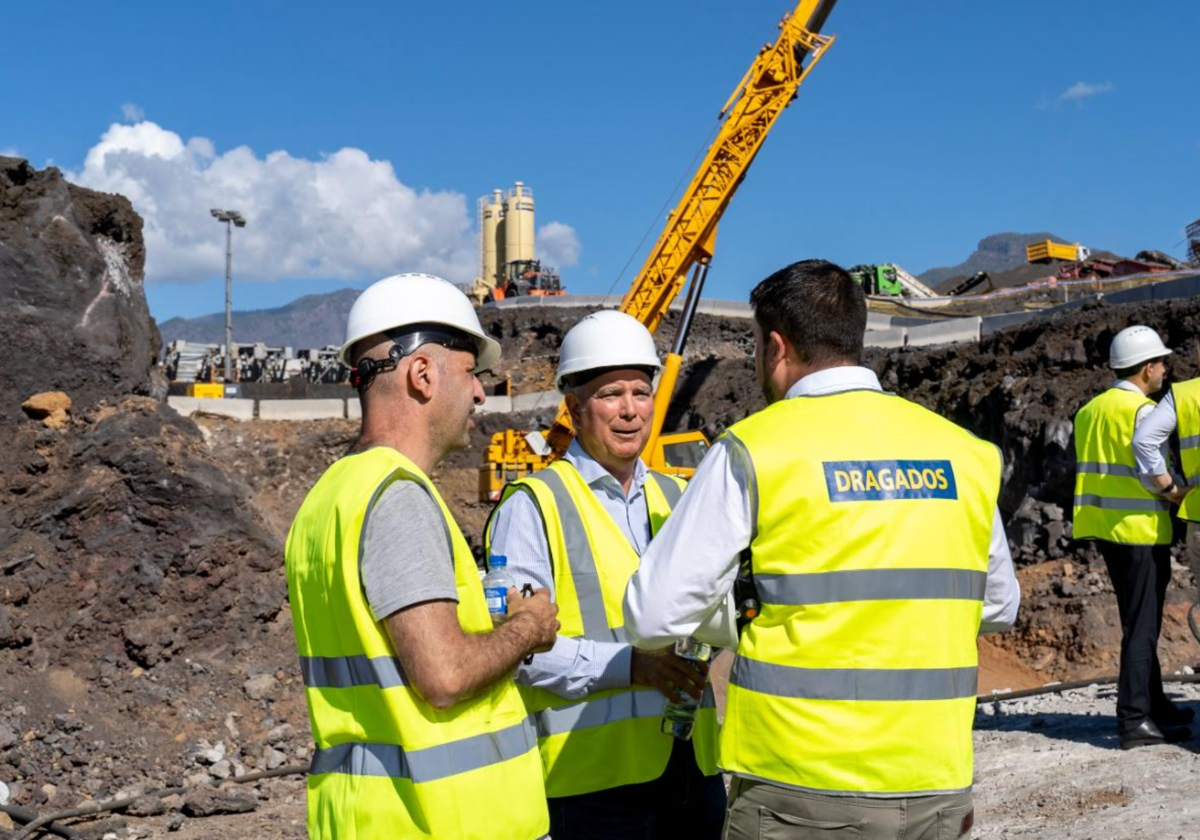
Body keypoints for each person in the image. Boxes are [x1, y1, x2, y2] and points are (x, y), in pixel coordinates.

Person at [623, 259, 1020, 840]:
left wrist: (740, 615)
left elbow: (653, 615)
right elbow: (999, 606)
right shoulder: (964, 452)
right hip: (936, 781)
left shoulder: (758, 448)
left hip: (802, 786)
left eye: (756, 345)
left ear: (777, 346)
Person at [285, 273, 559, 840]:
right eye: (470, 372)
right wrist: (527, 628)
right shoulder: (397, 495)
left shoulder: (331, 495)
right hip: (438, 821)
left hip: (369, 814)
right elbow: (444, 675)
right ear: (422, 374)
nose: (482, 393)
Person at [485, 309, 726, 840]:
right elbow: (514, 650)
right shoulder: (534, 507)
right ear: (573, 406)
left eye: (641, 393)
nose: (630, 411)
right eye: (610, 394)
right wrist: (632, 666)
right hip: (592, 784)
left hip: (693, 768)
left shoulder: (677, 496)